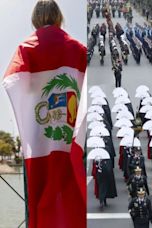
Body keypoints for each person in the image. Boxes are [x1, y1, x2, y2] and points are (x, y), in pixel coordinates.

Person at [3, 1, 86, 227]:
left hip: (39, 138)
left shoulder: (25, 49)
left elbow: (12, 82)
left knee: (40, 196)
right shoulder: (78, 49)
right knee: (72, 193)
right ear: (59, 17)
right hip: (71, 136)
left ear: (34, 19)